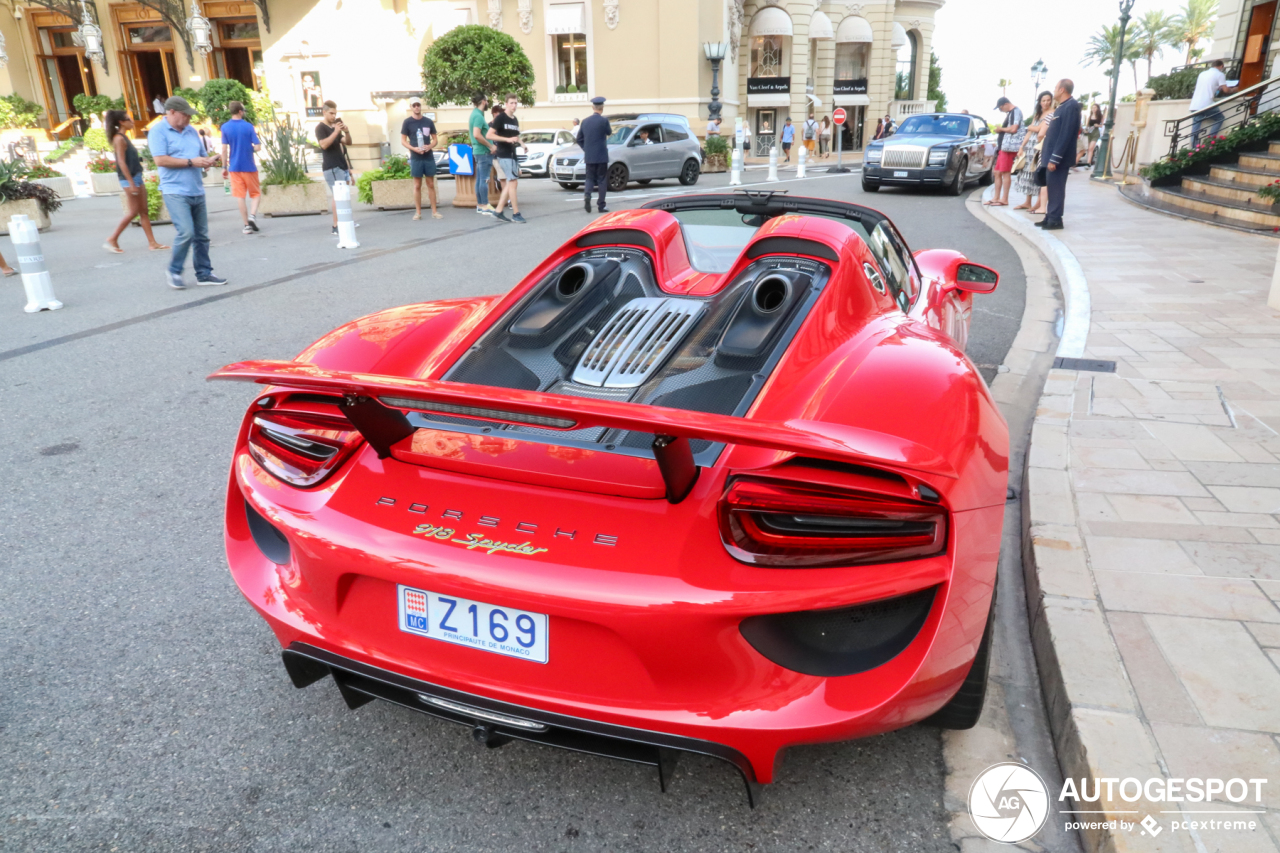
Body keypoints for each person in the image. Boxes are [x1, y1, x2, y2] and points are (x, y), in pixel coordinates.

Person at [147, 96, 226, 289]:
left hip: (196, 188)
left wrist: (208, 161)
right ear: (171, 112)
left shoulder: (191, 131)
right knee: (186, 232)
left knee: (202, 235)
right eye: (185, 115)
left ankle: (204, 273)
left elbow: (199, 155)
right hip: (174, 190)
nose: (189, 119)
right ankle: (174, 270)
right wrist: (191, 162)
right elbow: (160, 160)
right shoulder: (158, 132)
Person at [103, 109, 166, 254]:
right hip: (129, 179)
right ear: (121, 122)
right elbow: (121, 162)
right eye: (129, 119)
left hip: (135, 176)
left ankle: (152, 243)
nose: (132, 122)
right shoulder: (119, 138)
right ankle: (112, 238)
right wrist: (131, 183)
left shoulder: (124, 137)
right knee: (133, 212)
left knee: (144, 211)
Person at [1038, 79, 1080, 231]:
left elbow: (1066, 134)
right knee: (1052, 187)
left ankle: (1055, 219)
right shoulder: (1062, 107)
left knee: (1056, 188)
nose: (1054, 90)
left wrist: (1055, 158)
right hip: (1051, 156)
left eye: (1056, 88)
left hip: (1058, 159)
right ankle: (1050, 216)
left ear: (1062, 90)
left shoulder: (1071, 106)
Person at [220, 100, 262, 235]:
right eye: (243, 110)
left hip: (234, 167)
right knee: (255, 194)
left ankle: (246, 225)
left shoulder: (225, 127)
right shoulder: (248, 126)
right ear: (240, 111)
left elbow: (224, 149)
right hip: (249, 166)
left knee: (240, 196)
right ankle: (252, 216)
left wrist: (223, 166)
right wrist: (251, 149)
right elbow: (257, 146)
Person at [315, 101, 354, 236]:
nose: (333, 116)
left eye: (335, 114)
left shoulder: (335, 128)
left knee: (344, 195)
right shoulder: (320, 128)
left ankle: (345, 219)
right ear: (324, 112)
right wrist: (335, 131)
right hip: (331, 166)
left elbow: (348, 142)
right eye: (331, 113)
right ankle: (336, 225)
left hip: (342, 165)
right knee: (337, 195)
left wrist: (346, 131)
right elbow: (323, 145)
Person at [400, 97, 441, 221]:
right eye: (414, 105)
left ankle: (434, 211)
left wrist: (430, 146)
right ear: (411, 107)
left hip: (428, 156)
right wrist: (413, 148)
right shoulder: (407, 122)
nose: (416, 107)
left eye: (418, 105)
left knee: (430, 184)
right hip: (416, 157)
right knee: (417, 185)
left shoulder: (428, 121)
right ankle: (418, 212)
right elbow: (403, 141)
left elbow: (435, 139)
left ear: (420, 106)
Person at [487, 93, 525, 223]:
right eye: (512, 103)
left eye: (516, 103)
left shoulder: (514, 119)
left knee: (511, 183)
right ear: (506, 104)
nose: (514, 105)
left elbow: (516, 136)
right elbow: (489, 135)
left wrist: (522, 144)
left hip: (512, 154)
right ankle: (516, 213)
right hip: (503, 154)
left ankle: (498, 211)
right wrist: (507, 140)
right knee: (513, 182)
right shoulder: (501, 118)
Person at [1014, 91, 1053, 213]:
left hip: (1039, 146)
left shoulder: (1051, 113)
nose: (1046, 102)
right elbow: (1030, 131)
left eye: (1048, 100)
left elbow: (1037, 129)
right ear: (1040, 102)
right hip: (1029, 146)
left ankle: (1038, 204)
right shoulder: (1038, 114)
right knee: (1027, 172)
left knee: (1037, 173)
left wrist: (1031, 127)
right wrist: (1022, 146)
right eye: (1043, 100)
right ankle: (1027, 201)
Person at [987, 96, 1024, 208]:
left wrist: (1001, 129)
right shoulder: (1011, 113)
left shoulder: (1015, 112)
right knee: (997, 172)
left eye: (1000, 108)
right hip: (1004, 147)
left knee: (1005, 172)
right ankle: (996, 197)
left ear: (1005, 104)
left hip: (1010, 147)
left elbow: (1014, 129)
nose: (1000, 110)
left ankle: (1004, 199)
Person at [577, 95, 612, 214]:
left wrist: (586, 149)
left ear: (593, 107)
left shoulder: (585, 121)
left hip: (590, 156)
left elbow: (579, 139)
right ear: (602, 108)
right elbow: (609, 132)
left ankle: (587, 196)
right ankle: (601, 205)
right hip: (601, 156)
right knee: (602, 180)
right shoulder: (604, 121)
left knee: (589, 178)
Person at [1190, 59, 1238, 145]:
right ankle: (1210, 141)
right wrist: (1235, 89)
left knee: (1196, 127)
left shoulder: (1202, 74)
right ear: (1221, 66)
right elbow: (1226, 90)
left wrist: (1217, 87)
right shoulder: (1220, 74)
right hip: (1207, 104)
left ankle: (1194, 148)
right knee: (1220, 118)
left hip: (1195, 104)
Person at [469, 94, 495, 216]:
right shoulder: (478, 116)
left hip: (478, 151)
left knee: (480, 179)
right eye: (487, 101)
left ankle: (480, 204)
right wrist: (491, 146)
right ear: (483, 101)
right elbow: (477, 135)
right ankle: (484, 205)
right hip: (484, 152)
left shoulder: (475, 114)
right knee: (484, 179)